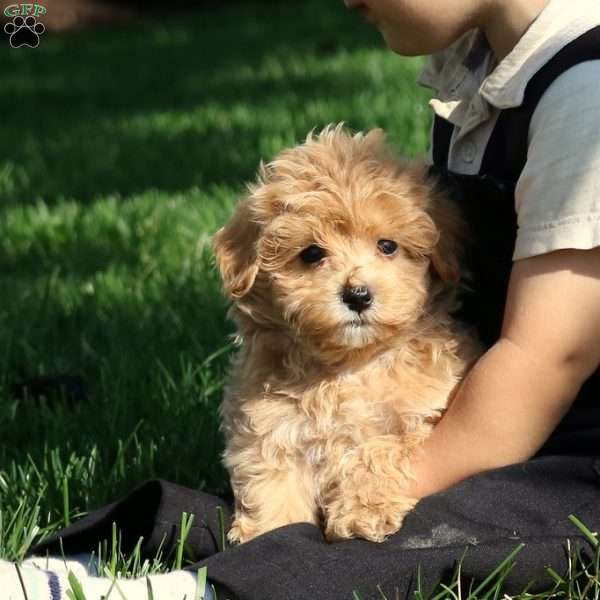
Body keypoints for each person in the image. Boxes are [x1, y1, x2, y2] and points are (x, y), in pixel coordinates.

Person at [4, 0, 600, 598]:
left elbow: (549, 358)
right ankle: (97, 557)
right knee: (238, 508)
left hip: (567, 453)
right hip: (491, 423)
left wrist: (389, 482)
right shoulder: (478, 70)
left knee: (456, 528)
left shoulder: (587, 92)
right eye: (313, 256)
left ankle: (213, 588)